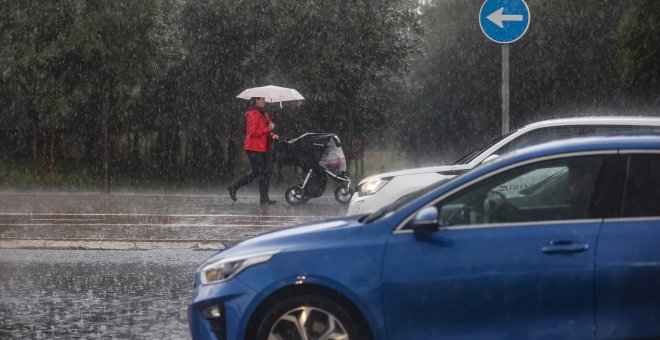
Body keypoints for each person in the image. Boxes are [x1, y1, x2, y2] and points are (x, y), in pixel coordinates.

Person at [226, 97, 278, 205]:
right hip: (253, 148)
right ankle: (233, 186)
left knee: (265, 173)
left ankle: (264, 198)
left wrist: (272, 135)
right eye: (260, 99)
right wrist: (269, 129)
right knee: (258, 172)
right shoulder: (252, 114)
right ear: (255, 101)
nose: (263, 101)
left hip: (262, 148)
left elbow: (265, 132)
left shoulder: (265, 114)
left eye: (264, 99)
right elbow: (253, 132)